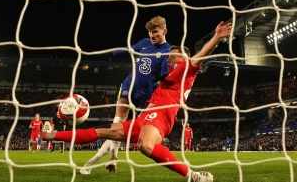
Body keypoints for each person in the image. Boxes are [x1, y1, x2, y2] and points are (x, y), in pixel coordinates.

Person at [42, 21, 232, 182]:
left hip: (162, 114)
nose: (167, 58)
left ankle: (193, 176)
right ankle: (51, 135)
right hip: (146, 116)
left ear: (182, 56)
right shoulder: (166, 73)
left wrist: (217, 37)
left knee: (145, 146)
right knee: (102, 132)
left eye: (171, 55)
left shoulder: (186, 68)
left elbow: (202, 55)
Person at [80, 16, 171, 174]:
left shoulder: (167, 51)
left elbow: (164, 76)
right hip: (130, 84)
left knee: (123, 129)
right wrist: (109, 53)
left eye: (155, 32)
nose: (152, 35)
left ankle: (100, 160)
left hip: (148, 92)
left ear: (164, 31)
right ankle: (109, 158)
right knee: (118, 121)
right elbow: (128, 49)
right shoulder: (144, 43)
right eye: (150, 32)